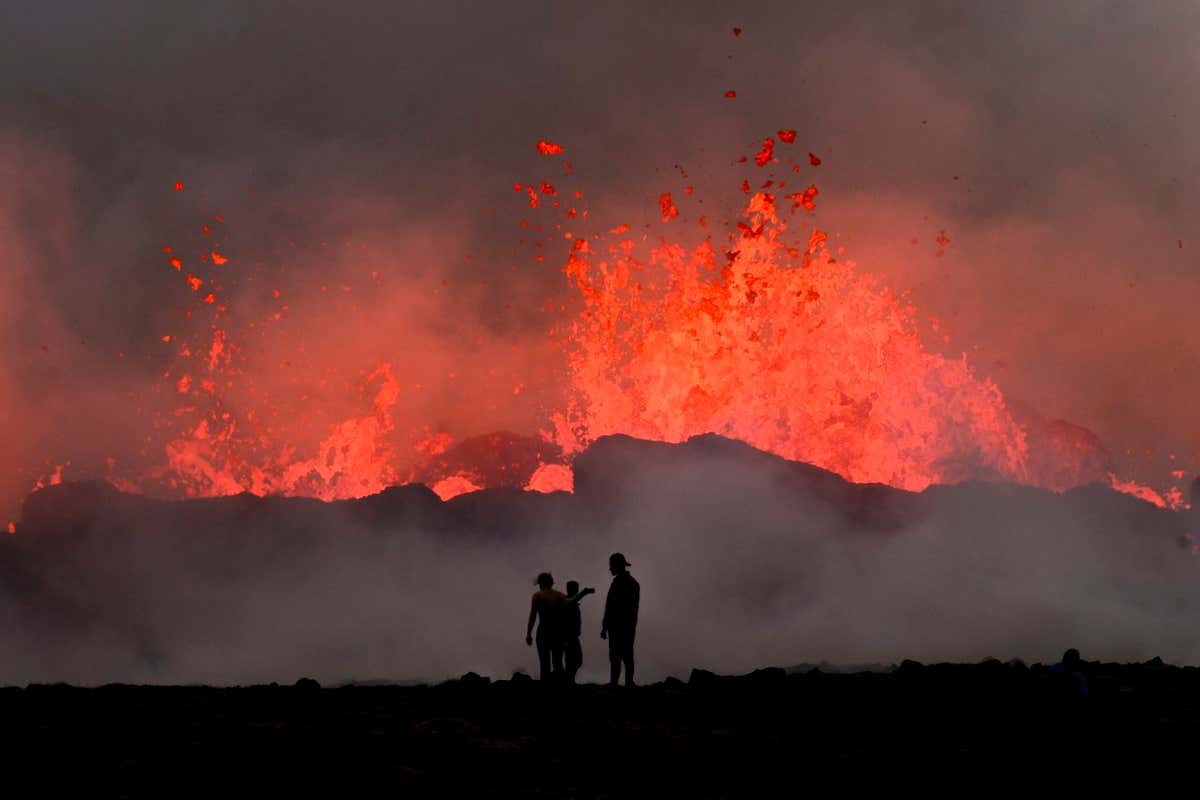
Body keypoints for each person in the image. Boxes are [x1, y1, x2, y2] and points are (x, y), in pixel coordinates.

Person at [601, 553, 640, 687]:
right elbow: (610, 606)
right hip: (623, 626)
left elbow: (611, 606)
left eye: (611, 566)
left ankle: (618, 683)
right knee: (623, 655)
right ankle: (623, 683)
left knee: (620, 656)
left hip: (620, 626)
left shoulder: (625, 584)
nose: (610, 569)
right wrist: (606, 626)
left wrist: (606, 626)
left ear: (617, 566)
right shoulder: (632, 584)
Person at [526, 572, 566, 681]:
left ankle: (545, 689)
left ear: (541, 583)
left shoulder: (538, 596)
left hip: (544, 631)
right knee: (558, 663)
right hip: (558, 632)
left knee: (544, 664)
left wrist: (529, 633)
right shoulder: (561, 596)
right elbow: (566, 616)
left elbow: (533, 615)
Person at [562, 580, 596, 683]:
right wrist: (584, 592)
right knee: (572, 660)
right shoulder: (567, 600)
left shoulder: (572, 601)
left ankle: (569, 679)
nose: (576, 591)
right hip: (568, 636)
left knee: (575, 660)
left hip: (573, 636)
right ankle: (568, 680)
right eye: (575, 589)